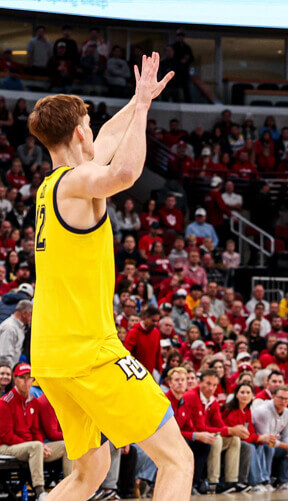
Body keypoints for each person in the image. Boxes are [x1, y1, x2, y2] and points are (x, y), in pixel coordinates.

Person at [27, 54, 193, 500]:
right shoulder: (80, 180)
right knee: (178, 459)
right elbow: (123, 172)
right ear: (80, 131)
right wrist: (141, 111)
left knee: (90, 470)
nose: (93, 129)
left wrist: (139, 99)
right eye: (88, 122)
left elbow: (104, 140)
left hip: (51, 354)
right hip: (89, 351)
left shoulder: (52, 185)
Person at [0, 363, 72, 499]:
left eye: (29, 378)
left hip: (30, 446)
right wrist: (36, 444)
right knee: (36, 446)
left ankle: (71, 487)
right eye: (22, 377)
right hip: (6, 447)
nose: (26, 381)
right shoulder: (5, 402)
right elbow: (6, 436)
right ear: (15, 379)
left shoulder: (33, 402)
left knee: (66, 445)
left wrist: (42, 445)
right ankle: (40, 491)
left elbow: (36, 430)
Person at [251, 385, 288, 491]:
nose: (283, 401)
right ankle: (265, 481)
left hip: (274, 442)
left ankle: (284, 482)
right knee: (269, 447)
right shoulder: (263, 411)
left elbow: (287, 436)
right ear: (273, 397)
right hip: (259, 442)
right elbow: (266, 439)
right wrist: (287, 446)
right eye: (280, 398)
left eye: (286, 399)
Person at [0, 300, 32, 366]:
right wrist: (10, 373)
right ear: (24, 314)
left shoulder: (19, 327)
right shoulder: (9, 328)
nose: (32, 318)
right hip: (7, 372)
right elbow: (4, 356)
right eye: (31, 314)